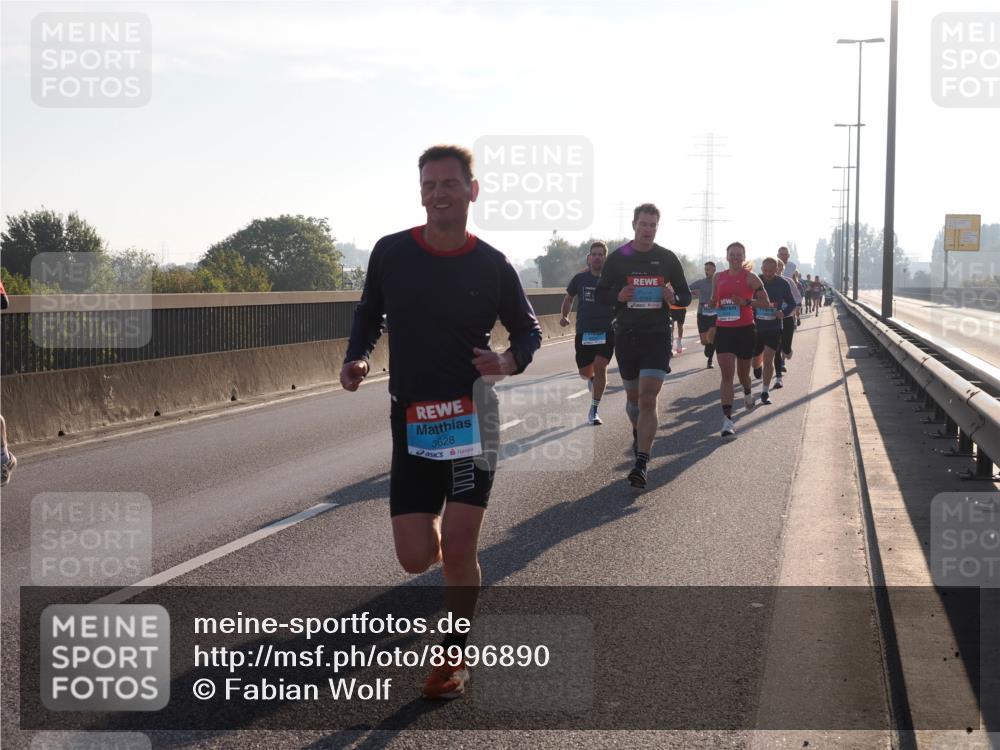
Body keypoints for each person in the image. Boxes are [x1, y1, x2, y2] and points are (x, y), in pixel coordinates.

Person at [340, 145, 542, 700]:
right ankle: (443, 556)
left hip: (474, 420)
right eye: (429, 185)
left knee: (458, 546)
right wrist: (358, 355)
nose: (438, 194)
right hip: (412, 422)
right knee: (413, 557)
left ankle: (452, 659)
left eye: (449, 184)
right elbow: (368, 312)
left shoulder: (494, 265)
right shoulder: (391, 253)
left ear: (472, 190)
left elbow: (528, 333)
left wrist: (506, 362)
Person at [595, 203, 691, 489]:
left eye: (652, 225)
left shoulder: (667, 258)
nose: (647, 230)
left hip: (656, 335)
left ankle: (641, 462)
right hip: (626, 335)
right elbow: (600, 295)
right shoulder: (619, 258)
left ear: (656, 228)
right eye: (643, 224)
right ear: (634, 225)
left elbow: (685, 296)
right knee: (634, 402)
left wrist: (672, 295)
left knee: (649, 398)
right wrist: (618, 295)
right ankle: (640, 436)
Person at [712, 242, 769, 436]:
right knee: (727, 374)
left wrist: (745, 302)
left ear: (743, 257)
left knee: (743, 375)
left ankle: (747, 391)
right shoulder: (718, 277)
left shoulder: (750, 278)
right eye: (732, 254)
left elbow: (766, 303)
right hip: (724, 330)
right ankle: (727, 420)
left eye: (739, 255)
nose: (735, 258)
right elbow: (714, 301)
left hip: (745, 330)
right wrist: (712, 308)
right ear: (726, 256)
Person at [560, 242, 616, 425]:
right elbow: (569, 298)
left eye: (601, 254)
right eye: (594, 254)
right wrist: (564, 316)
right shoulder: (580, 279)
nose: (597, 257)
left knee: (600, 366)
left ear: (605, 258)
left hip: (607, 331)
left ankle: (594, 409)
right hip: (584, 331)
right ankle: (592, 379)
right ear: (589, 257)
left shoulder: (612, 280)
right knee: (585, 373)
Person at [753, 258, 797, 405]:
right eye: (765, 271)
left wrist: (783, 313)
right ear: (762, 268)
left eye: (771, 271)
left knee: (768, 359)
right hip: (756, 326)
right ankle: (756, 366)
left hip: (774, 327)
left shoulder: (783, 283)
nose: (768, 274)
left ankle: (765, 392)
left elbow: (792, 303)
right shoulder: (756, 281)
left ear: (777, 269)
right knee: (755, 361)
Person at [688, 261, 718, 368]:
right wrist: (693, 293)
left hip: (715, 313)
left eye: (708, 269)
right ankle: (707, 345)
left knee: (713, 335)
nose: (706, 271)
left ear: (714, 269)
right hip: (702, 313)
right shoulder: (701, 282)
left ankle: (710, 360)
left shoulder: (719, 282)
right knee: (704, 341)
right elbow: (687, 288)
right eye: (705, 269)